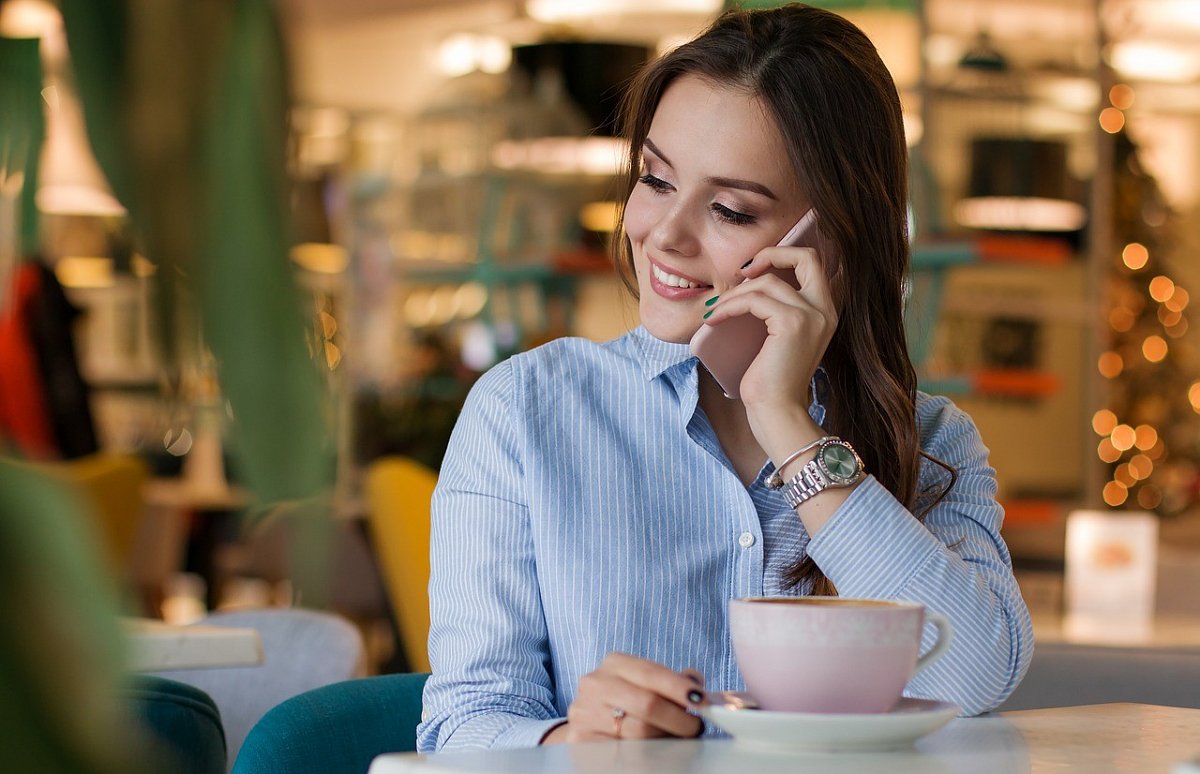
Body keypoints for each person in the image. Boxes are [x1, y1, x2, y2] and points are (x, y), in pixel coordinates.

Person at [416, 3, 1033, 751]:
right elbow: (462, 727)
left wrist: (787, 425)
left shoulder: (930, 438)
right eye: (655, 179)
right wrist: (571, 743)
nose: (664, 235)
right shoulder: (524, 411)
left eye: (730, 211)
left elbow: (974, 679)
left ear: (831, 242)